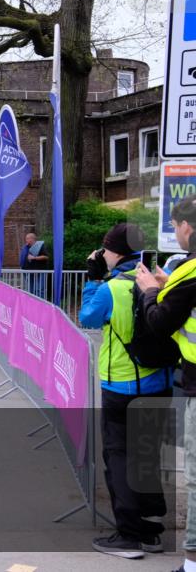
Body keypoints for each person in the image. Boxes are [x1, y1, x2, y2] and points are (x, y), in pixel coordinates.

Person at [79, 223, 172, 559]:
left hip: (121, 384)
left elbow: (88, 317)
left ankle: (129, 536)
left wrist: (92, 279)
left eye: (105, 250)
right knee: (146, 457)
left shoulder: (113, 287)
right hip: (160, 382)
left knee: (119, 457)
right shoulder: (160, 279)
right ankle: (151, 532)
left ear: (115, 252)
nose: (102, 255)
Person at [132, 196, 196, 572]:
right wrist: (169, 286)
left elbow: (160, 322)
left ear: (187, 226)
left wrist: (151, 292)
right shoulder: (184, 277)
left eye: (176, 226)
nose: (176, 233)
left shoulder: (190, 272)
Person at [20, 231, 49, 300]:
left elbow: (46, 257)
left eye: (27, 238)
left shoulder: (40, 246)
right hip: (29, 272)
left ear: (32, 239)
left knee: (40, 290)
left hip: (40, 271)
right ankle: (32, 304)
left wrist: (34, 258)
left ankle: (41, 304)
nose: (26, 240)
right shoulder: (26, 247)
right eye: (26, 238)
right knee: (30, 290)